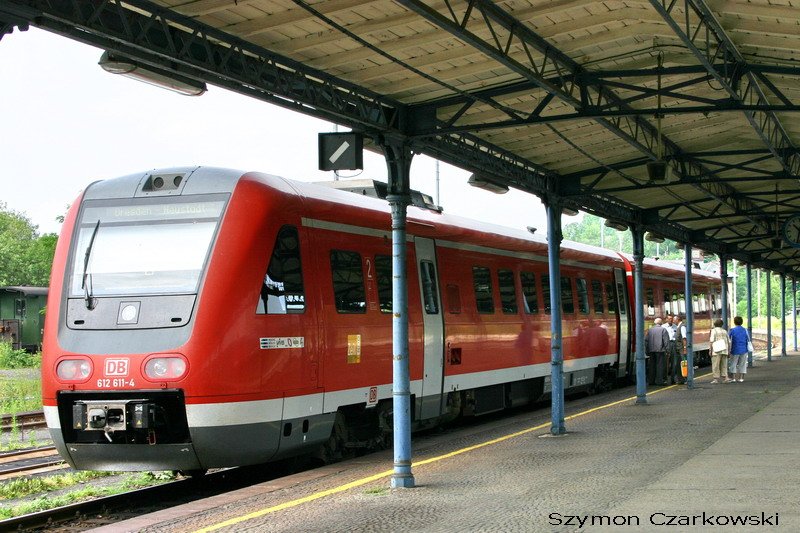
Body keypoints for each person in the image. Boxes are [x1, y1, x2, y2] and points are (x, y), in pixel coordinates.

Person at [645, 317, 670, 385]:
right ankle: (660, 381)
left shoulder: (650, 330)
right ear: (661, 323)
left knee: (652, 366)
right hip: (660, 351)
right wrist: (668, 350)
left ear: (655, 323)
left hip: (651, 351)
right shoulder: (663, 330)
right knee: (660, 366)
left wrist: (647, 350)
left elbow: (646, 341)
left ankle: (651, 381)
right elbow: (666, 341)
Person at [709, 318, 731, 384]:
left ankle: (716, 379)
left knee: (715, 365)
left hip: (716, 351)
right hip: (724, 350)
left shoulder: (713, 331)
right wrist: (729, 351)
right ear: (722, 324)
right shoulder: (725, 331)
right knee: (724, 365)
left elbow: (711, 341)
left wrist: (710, 350)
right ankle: (725, 378)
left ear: (714, 324)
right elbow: (729, 342)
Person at [728, 316, 749, 382]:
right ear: (741, 322)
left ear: (734, 322)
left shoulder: (732, 330)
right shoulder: (745, 330)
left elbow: (728, 339)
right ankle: (741, 378)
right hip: (744, 349)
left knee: (733, 364)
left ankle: (733, 378)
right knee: (742, 364)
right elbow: (748, 339)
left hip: (735, 349)